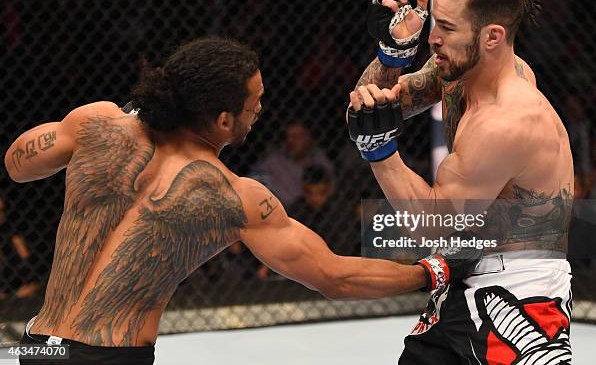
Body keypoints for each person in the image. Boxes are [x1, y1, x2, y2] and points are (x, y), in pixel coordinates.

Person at [4, 37, 478, 365]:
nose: (261, 110)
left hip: (39, 346)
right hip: (109, 356)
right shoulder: (235, 197)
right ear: (225, 119)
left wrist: (122, 121)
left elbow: (17, 164)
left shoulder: (96, 123)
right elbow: (335, 278)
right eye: (256, 101)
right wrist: (432, 271)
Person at [347, 0, 573, 364]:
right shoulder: (458, 71)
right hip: (464, 267)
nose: (432, 39)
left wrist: (380, 153)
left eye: (447, 29)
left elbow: (435, 226)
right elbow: (370, 106)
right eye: (435, 23)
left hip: (519, 292)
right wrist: (392, 51)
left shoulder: (508, 120)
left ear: (492, 37)